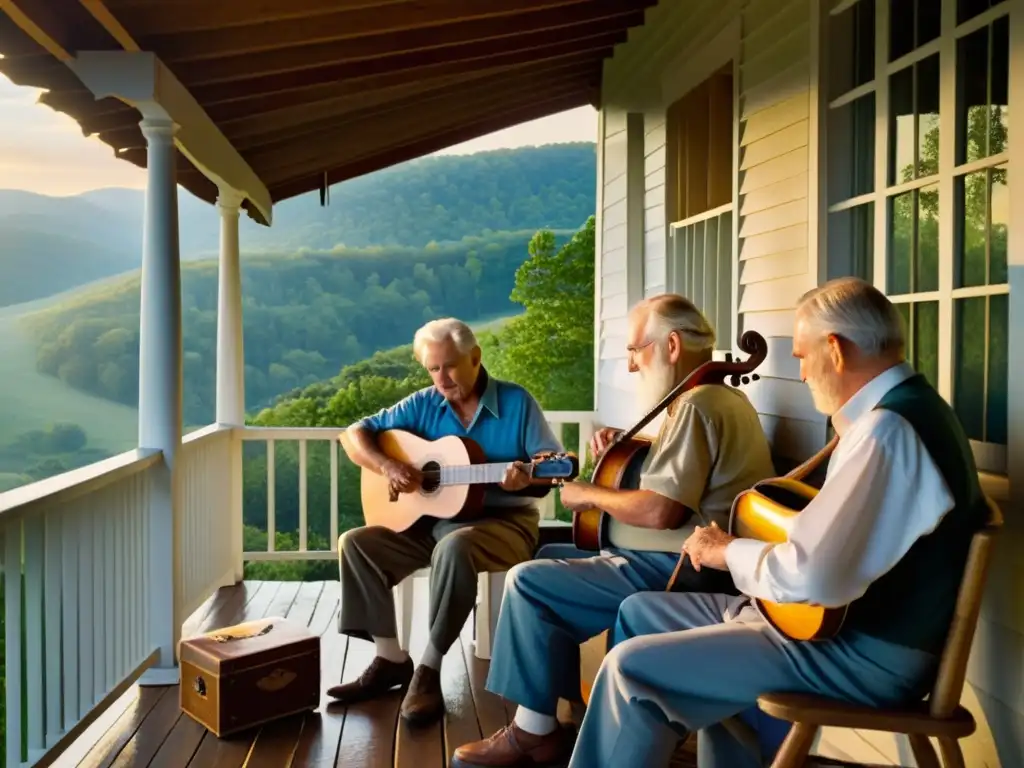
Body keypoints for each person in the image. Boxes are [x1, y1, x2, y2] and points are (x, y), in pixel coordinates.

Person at [547, 277, 990, 768]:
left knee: (631, 671)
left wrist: (725, 551)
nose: (800, 374)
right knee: (643, 613)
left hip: (864, 653)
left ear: (835, 350)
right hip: (838, 630)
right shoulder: (904, 414)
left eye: (801, 356)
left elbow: (812, 575)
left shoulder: (888, 432)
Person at [452, 293, 777, 767]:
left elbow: (662, 510)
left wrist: (589, 494)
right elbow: (678, 476)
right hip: (677, 560)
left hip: (680, 569)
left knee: (529, 582)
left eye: (634, 351)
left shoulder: (697, 405)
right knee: (544, 563)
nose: (629, 366)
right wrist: (619, 448)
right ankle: (568, 716)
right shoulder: (717, 400)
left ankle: (531, 732)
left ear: (670, 346)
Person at [329, 317, 564, 727]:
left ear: (475, 357)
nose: (443, 377)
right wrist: (387, 465)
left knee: (455, 546)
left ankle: (429, 669)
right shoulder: (421, 404)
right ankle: (390, 659)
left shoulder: (517, 402)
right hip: (433, 525)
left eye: (451, 365)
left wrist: (523, 481)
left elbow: (549, 472)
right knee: (356, 542)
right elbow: (354, 434)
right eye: (433, 368)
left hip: (504, 526)